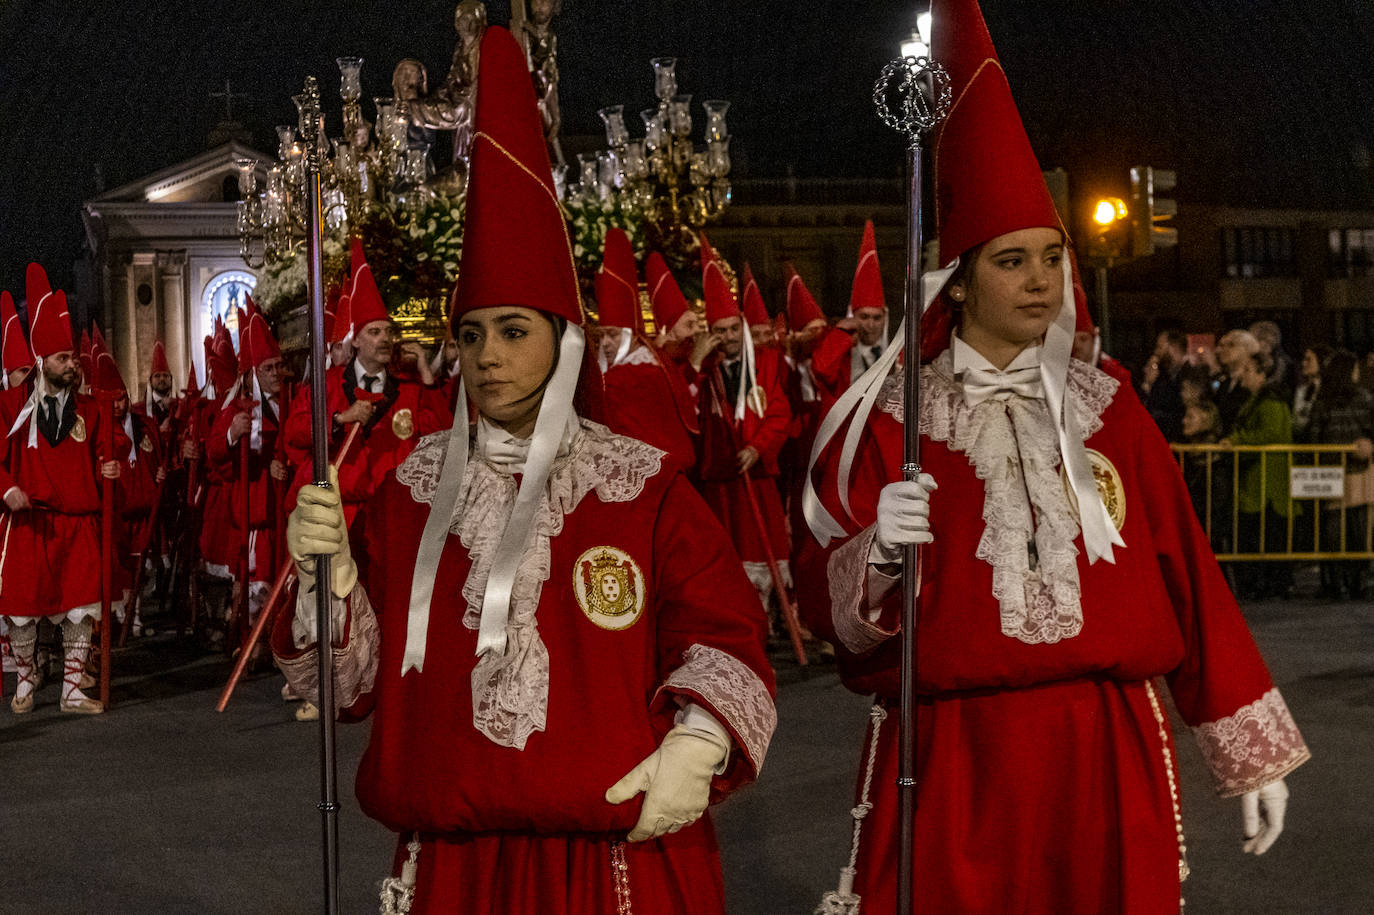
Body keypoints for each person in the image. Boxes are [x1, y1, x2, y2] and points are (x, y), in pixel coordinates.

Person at [796, 3, 1308, 912]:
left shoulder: (1105, 407)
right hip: (956, 755)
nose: (1040, 280)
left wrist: (1248, 748)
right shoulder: (895, 419)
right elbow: (827, 611)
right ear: (959, 281)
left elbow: (1186, 571)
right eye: (1012, 261)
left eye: (1050, 258)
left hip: (1106, 749)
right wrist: (872, 553)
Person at [273, 28, 774, 914]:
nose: (488, 357)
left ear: (564, 341)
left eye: (514, 331)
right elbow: (352, 685)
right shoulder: (411, 486)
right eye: (471, 335)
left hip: (613, 855)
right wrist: (334, 583)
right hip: (457, 860)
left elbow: (721, 635)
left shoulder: (642, 484)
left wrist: (697, 742)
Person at [0, 264, 121, 715]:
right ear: (40, 361)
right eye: (63, 359)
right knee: (23, 610)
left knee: (79, 609)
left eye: (72, 357)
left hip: (78, 522)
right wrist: (8, 486)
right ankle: (27, 683)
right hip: (29, 522)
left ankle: (72, 691)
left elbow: (107, 453)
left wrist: (110, 467)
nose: (72, 364)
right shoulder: (9, 405)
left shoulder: (90, 409)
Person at [693, 237, 793, 619]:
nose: (729, 337)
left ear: (742, 327)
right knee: (729, 556)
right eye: (720, 331)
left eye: (734, 329)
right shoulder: (706, 370)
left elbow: (779, 413)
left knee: (762, 553)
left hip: (758, 473)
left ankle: (765, 619)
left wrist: (758, 446)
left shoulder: (767, 363)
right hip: (722, 478)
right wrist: (698, 360)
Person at [593, 228, 698, 474]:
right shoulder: (655, 362)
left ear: (631, 335)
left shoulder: (629, 378)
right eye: (601, 336)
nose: (606, 344)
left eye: (613, 334)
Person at [1222, 350, 1294, 597]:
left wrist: (1236, 441)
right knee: (1264, 535)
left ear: (1262, 374)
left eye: (1249, 371)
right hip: (1261, 480)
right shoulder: (1262, 400)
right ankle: (1266, 583)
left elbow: (1270, 434)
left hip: (1265, 483)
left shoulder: (1270, 401)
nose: (1243, 377)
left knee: (1266, 536)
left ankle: (1270, 584)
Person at [1305, 349, 1374, 598]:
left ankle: (1340, 581)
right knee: (1355, 531)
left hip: (1338, 474)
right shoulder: (1362, 399)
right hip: (1352, 473)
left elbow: (1314, 435)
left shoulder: (1324, 401)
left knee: (1341, 531)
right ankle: (1354, 582)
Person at [811, 220, 888, 408]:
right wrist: (841, 333)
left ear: (885, 318)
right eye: (864, 317)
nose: (870, 324)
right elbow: (821, 368)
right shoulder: (843, 359)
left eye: (876, 318)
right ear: (852, 318)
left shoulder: (898, 355)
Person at [1139, 329, 1188, 441]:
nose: (1156, 352)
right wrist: (1148, 384)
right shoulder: (1163, 377)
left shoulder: (1190, 374)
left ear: (1173, 347)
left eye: (1160, 347)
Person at [1212, 329, 1260, 433]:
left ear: (1247, 349)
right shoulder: (1224, 382)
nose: (1222, 350)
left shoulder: (1255, 380)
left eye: (1231, 345)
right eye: (1222, 346)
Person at [1291, 344, 1330, 440]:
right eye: (1304, 359)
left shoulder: (1329, 391)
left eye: (1309, 360)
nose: (1304, 363)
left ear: (1322, 362)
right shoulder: (1300, 390)